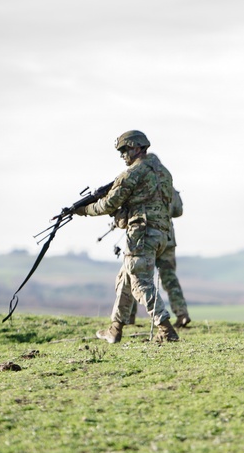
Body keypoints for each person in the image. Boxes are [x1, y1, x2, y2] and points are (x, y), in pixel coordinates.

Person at [74, 130, 180, 343]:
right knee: (126, 277)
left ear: (138, 147)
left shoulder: (133, 173)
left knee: (140, 283)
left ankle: (166, 329)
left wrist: (84, 210)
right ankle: (115, 329)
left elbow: (108, 204)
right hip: (161, 235)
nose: (123, 155)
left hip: (142, 234)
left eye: (125, 149)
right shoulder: (164, 172)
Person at [128, 188, 191, 328]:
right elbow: (178, 211)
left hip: (146, 238)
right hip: (168, 238)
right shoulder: (169, 188)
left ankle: (129, 317)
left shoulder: (143, 184)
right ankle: (182, 314)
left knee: (136, 275)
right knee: (170, 278)